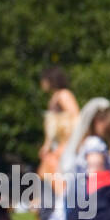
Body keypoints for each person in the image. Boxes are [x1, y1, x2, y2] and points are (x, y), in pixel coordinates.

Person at [37, 66, 79, 209]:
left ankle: (64, 204)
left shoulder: (64, 95)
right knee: (45, 174)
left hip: (65, 144)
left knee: (54, 175)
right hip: (57, 144)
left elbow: (75, 119)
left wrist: (66, 145)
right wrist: (47, 145)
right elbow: (52, 126)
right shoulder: (54, 97)